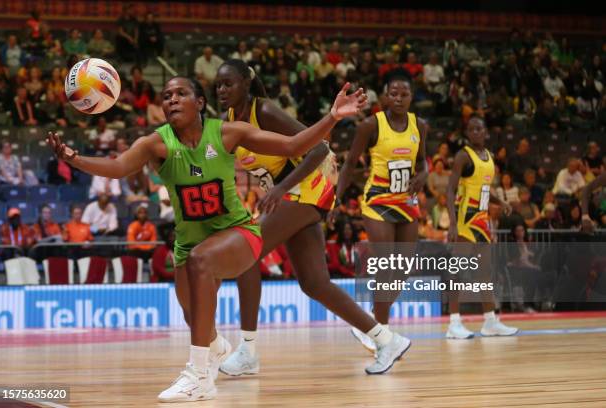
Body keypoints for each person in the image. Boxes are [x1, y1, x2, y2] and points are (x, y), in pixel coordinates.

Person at [46, 75, 367, 402]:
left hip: (238, 234)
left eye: (180, 93)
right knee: (192, 312)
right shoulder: (154, 143)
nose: (171, 99)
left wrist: (333, 116)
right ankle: (216, 347)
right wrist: (74, 159)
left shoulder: (228, 133)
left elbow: (292, 145)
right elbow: (117, 168)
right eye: (166, 95)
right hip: (189, 244)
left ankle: (199, 376)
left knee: (202, 261)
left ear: (199, 103)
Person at [216, 59, 407, 377]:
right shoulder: (229, 121)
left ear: (245, 85)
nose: (221, 90)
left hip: (308, 183)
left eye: (228, 84)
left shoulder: (262, 111)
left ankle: (248, 350)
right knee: (314, 283)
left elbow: (319, 149)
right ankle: (387, 339)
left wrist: (280, 189)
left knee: (246, 252)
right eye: (218, 85)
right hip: (291, 193)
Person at [335, 69, 428, 353]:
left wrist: (424, 174)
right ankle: (383, 335)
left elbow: (422, 161)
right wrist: (335, 200)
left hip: (406, 202)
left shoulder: (420, 125)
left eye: (405, 94)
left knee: (402, 269)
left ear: (411, 97)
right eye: (394, 93)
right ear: (385, 96)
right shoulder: (371, 126)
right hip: (377, 201)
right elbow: (350, 164)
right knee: (387, 262)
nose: (399, 99)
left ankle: (373, 325)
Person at [445, 116, 518, 339]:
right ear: (467, 133)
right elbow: (449, 191)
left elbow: (485, 189)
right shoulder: (462, 156)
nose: (476, 132)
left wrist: (501, 202)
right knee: (457, 270)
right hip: (466, 219)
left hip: (482, 219)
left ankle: (489, 321)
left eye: (480, 129)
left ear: (486, 131)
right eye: (472, 129)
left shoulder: (489, 157)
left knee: (485, 272)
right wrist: (453, 224)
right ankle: (453, 322)